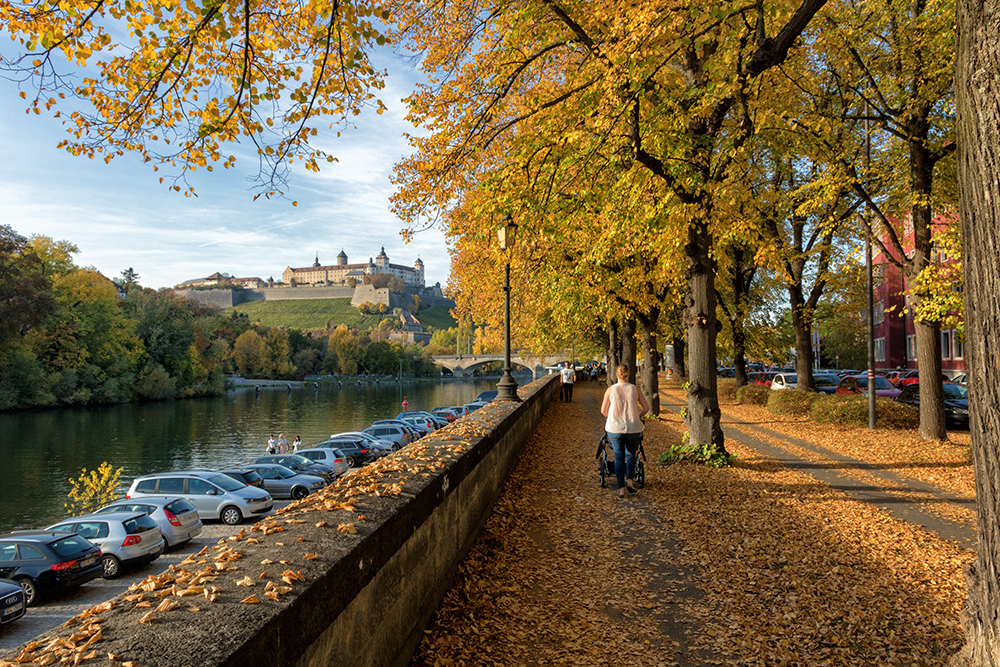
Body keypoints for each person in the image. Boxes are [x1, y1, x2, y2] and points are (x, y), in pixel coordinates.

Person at [601, 363, 650, 498]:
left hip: (615, 428)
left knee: (618, 456)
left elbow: (603, 411)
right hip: (633, 427)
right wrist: (636, 416)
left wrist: (612, 417)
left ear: (616, 375)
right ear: (628, 374)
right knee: (631, 454)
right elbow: (646, 408)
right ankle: (629, 481)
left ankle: (621, 489)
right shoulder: (635, 389)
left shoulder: (611, 390)